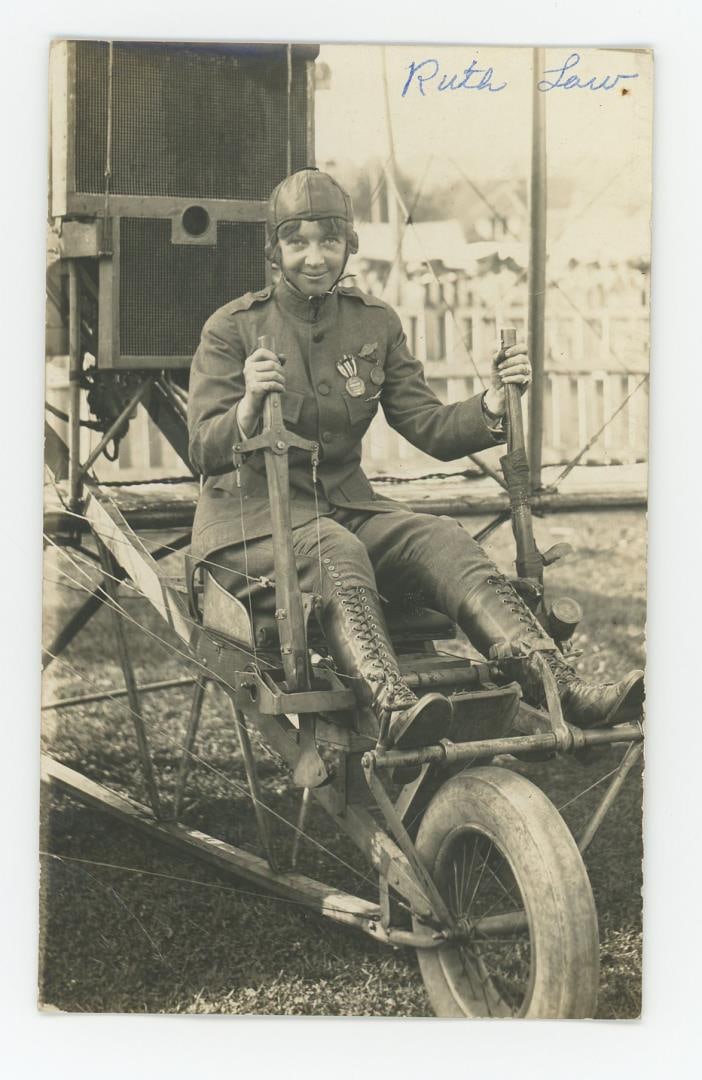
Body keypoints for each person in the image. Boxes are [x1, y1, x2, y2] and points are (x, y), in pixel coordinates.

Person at [187, 168, 643, 749]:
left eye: (329, 240)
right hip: (248, 526)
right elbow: (203, 448)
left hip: (344, 509)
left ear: (349, 244)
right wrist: (249, 404)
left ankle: (560, 686)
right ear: (274, 250)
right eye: (297, 241)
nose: (314, 256)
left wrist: (492, 404)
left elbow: (426, 424)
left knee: (441, 538)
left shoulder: (372, 322)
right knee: (337, 550)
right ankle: (391, 707)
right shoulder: (233, 329)